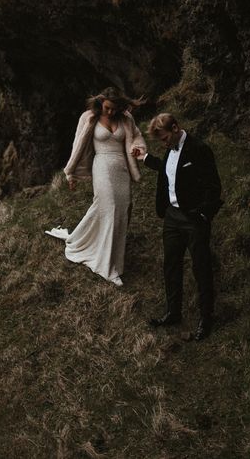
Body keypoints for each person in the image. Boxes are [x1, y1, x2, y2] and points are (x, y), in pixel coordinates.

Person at [132, 113, 222, 341]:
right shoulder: (169, 149)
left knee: (201, 267)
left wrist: (203, 214)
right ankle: (173, 312)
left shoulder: (199, 149)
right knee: (171, 264)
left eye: (164, 138)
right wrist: (146, 158)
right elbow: (169, 170)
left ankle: (206, 319)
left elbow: (213, 185)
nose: (164, 143)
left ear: (175, 128)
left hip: (193, 219)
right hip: (172, 217)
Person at [45, 87, 146, 286]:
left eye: (114, 109)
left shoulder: (125, 118)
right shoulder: (89, 117)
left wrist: (137, 148)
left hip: (121, 168)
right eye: (107, 108)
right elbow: (78, 144)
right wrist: (70, 172)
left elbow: (137, 137)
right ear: (101, 103)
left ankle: (100, 249)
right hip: (102, 166)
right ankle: (107, 266)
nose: (110, 113)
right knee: (109, 207)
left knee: (122, 210)